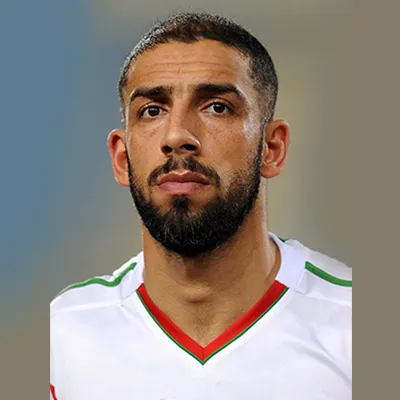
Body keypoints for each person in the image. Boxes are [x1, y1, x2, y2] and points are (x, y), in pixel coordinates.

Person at [50, 12, 352, 400]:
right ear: (122, 159)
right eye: (152, 110)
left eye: (217, 107)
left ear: (272, 148)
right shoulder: (60, 338)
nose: (177, 135)